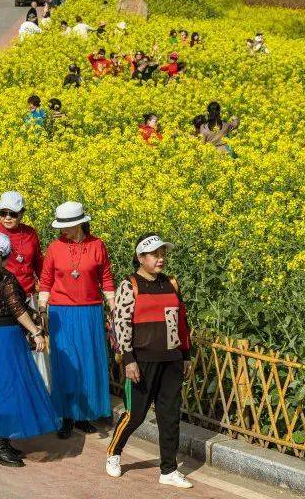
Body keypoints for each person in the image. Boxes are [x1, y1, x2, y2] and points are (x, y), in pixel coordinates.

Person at [106, 234, 193, 487]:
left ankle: (168, 470)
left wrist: (186, 355)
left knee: (169, 415)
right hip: (142, 362)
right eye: (155, 254)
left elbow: (182, 322)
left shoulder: (172, 283)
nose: (160, 259)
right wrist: (129, 359)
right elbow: (120, 323)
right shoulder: (130, 284)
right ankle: (113, 452)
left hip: (172, 360)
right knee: (135, 414)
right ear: (141, 258)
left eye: (162, 253)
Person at [0, 232, 57, 466]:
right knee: (8, 389)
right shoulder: (7, 279)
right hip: (7, 339)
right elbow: (18, 310)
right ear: (9, 254)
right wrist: (36, 332)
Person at [39, 202, 117, 440]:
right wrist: (42, 309)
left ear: (80, 223)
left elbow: (106, 278)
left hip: (90, 311)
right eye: (61, 225)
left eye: (68, 226)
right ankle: (66, 415)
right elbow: (45, 280)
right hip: (61, 312)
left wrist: (114, 309)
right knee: (66, 364)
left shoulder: (97, 245)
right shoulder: (54, 247)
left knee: (87, 362)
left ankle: (84, 414)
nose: (64, 230)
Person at [0, 191, 49, 387]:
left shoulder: (30, 234)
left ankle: (31, 394)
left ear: (22, 213)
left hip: (27, 298)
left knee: (33, 353)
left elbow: (39, 264)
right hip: (1, 304)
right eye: (3, 213)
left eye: (13, 213)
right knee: (8, 354)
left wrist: (45, 293)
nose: (8, 217)